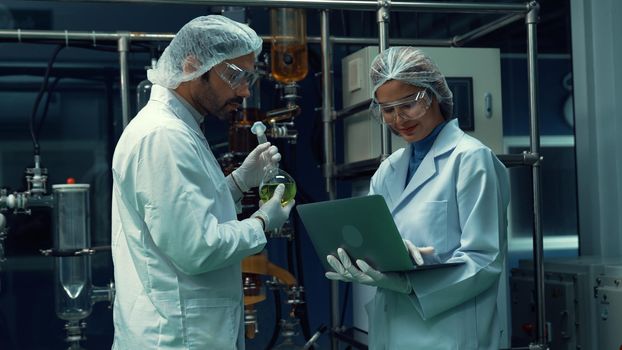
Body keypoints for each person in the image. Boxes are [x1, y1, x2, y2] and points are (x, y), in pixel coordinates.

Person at [111, 15, 295, 349]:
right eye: (235, 76)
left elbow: (184, 211)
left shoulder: (181, 128)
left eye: (248, 77)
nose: (244, 90)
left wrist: (238, 183)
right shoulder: (163, 136)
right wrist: (263, 223)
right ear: (194, 65)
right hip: (176, 337)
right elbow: (197, 248)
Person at [325, 46, 510, 349]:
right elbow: (373, 240)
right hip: (393, 329)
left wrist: (411, 280)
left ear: (433, 95)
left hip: (451, 333)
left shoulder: (471, 159)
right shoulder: (389, 169)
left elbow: (484, 260)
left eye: (409, 104)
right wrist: (361, 262)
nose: (399, 120)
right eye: (387, 110)